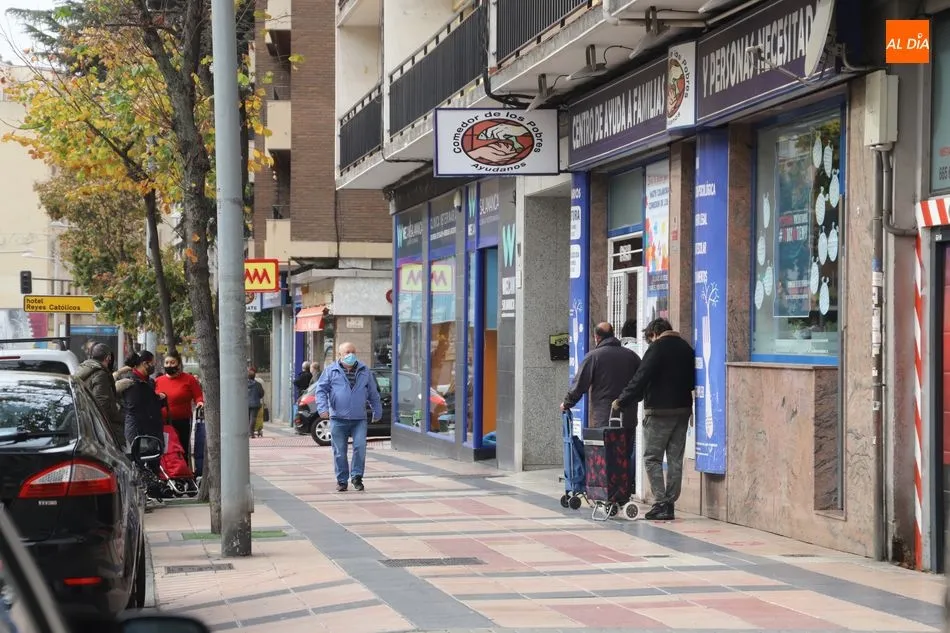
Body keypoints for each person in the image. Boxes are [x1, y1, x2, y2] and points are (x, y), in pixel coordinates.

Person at [613, 318, 695, 521]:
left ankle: (661, 502)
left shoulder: (657, 348)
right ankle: (670, 503)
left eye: (649, 339)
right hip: (683, 410)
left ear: (654, 334)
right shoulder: (686, 348)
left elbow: (641, 377)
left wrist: (622, 400)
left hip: (659, 412)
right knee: (675, 459)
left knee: (652, 458)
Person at [315, 342, 382, 492]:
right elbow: (320, 391)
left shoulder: (365, 371)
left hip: (359, 419)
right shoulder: (331, 371)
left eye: (353, 351)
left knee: (360, 447)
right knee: (339, 451)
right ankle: (342, 480)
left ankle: (357, 477)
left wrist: (377, 411)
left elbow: (373, 393)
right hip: (338, 418)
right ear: (339, 355)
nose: (350, 354)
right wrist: (322, 408)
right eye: (347, 352)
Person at [561, 322, 641, 428]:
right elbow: (641, 381)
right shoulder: (631, 356)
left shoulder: (594, 357)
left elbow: (580, 384)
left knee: (607, 444)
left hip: (605, 418)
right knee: (626, 444)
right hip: (628, 417)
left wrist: (566, 404)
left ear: (597, 338)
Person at [155, 352, 204, 461]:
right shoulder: (158, 381)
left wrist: (200, 403)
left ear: (179, 364)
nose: (169, 365)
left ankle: (183, 472)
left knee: (182, 448)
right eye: (167, 363)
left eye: (172, 363)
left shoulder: (189, 379)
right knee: (164, 449)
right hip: (162, 422)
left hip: (183, 421)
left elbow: (198, 396)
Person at [74, 343, 125, 447]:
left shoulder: (83, 369)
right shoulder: (100, 374)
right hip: (105, 431)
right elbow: (102, 403)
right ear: (108, 358)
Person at [122, 352, 166, 449]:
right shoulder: (130, 382)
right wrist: (156, 400)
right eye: (153, 363)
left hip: (152, 432)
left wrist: (159, 399)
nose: (154, 366)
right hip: (138, 432)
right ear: (145, 364)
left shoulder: (149, 381)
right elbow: (136, 407)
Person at [247, 367, 265, 438]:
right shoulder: (258, 384)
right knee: (253, 418)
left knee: (247, 418)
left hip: (246, 403)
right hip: (255, 404)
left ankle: (247, 432)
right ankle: (251, 432)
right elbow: (261, 394)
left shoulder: (243, 384)